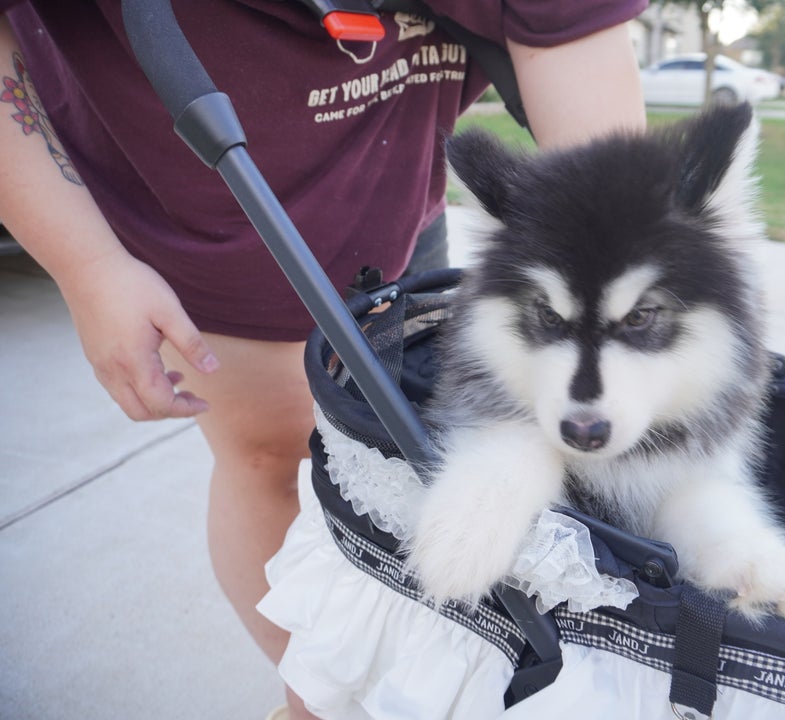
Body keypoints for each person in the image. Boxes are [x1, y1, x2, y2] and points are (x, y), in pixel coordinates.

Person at [0, 1, 646, 717]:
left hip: (397, 174)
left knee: (430, 456)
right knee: (271, 458)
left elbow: (602, 178)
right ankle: (318, 704)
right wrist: (88, 267)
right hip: (213, 204)